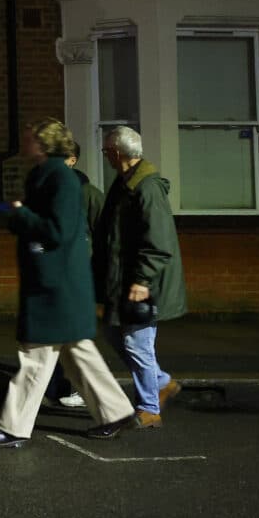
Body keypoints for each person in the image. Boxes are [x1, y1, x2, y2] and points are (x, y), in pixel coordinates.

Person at [0, 119, 137, 449]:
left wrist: (21, 214)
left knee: (35, 358)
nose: (23, 142)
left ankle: (13, 428)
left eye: (28, 137)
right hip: (58, 283)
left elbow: (59, 231)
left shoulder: (59, 177)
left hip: (55, 284)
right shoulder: (46, 174)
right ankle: (117, 412)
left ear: (44, 143)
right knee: (78, 356)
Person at [95, 125, 187, 428]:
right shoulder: (126, 183)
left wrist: (141, 280)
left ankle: (149, 408)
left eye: (107, 150)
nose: (106, 155)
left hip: (141, 282)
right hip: (125, 279)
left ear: (117, 152)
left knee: (137, 343)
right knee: (114, 333)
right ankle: (161, 382)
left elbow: (158, 242)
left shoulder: (145, 187)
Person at [44, 139, 104, 409]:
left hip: (78, 272)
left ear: (73, 160)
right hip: (57, 272)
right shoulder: (50, 190)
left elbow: (103, 233)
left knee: (75, 337)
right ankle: (60, 386)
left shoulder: (87, 192)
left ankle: (86, 391)